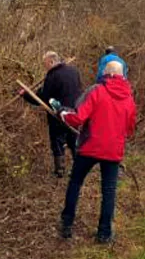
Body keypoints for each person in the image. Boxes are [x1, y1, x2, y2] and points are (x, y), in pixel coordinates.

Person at [58, 60, 137, 243]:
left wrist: (63, 115)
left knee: (75, 182)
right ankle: (104, 233)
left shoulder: (97, 91)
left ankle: (67, 224)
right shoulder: (129, 98)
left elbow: (78, 118)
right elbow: (130, 129)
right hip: (113, 150)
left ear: (107, 74)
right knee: (109, 191)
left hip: (90, 146)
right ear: (122, 75)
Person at [22, 51, 82, 177]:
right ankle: (78, 169)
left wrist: (26, 95)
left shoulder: (52, 76)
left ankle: (59, 171)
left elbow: (43, 98)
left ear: (51, 62)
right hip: (74, 113)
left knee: (57, 141)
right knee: (73, 141)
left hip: (58, 114)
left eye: (45, 64)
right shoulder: (74, 71)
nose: (45, 67)